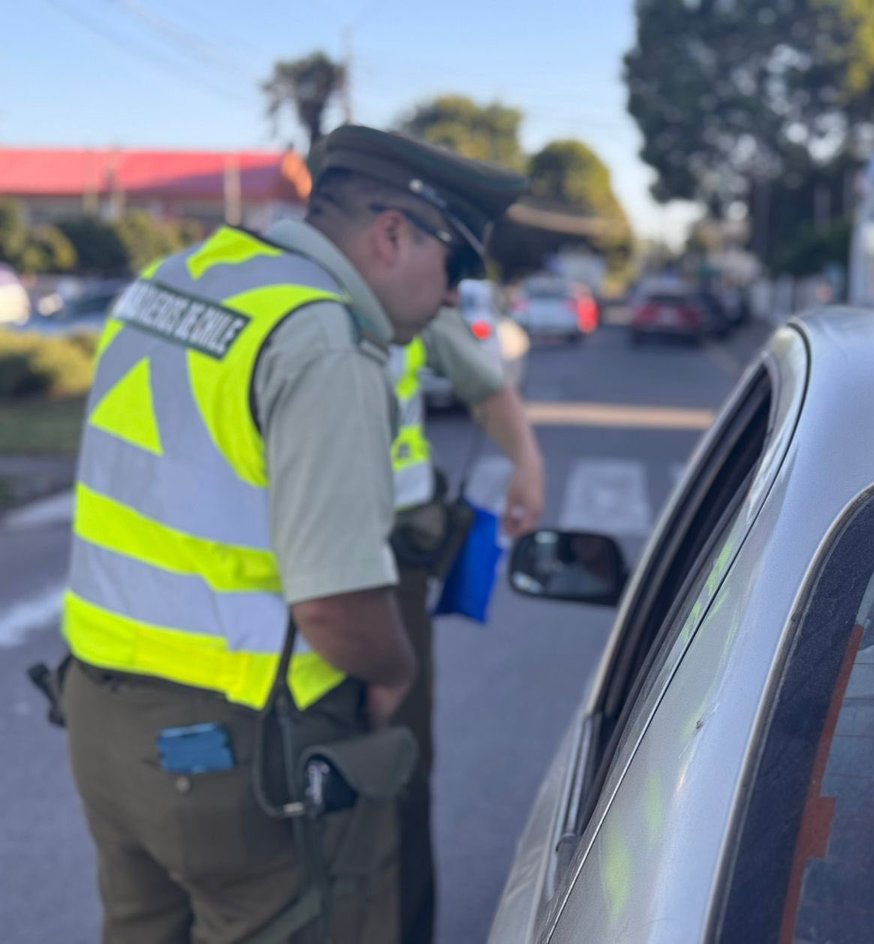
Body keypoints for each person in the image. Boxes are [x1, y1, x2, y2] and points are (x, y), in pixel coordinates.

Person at [57, 123, 527, 942]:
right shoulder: (324, 344)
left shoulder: (176, 280)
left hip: (103, 721)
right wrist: (394, 672)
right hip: (242, 747)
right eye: (455, 268)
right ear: (391, 235)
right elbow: (337, 608)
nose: (454, 298)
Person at [387, 285, 545, 944]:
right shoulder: (295, 302)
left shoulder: (416, 301)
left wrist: (527, 461)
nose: (450, 290)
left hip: (393, 564)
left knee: (399, 768)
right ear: (390, 233)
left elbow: (486, 388)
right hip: (287, 569)